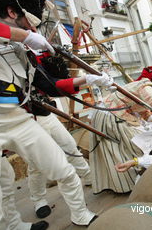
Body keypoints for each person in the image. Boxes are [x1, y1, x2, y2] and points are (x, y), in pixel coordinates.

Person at [0, 0, 97, 229]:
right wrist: (24, 36)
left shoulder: (21, 49)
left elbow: (49, 86)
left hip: (19, 120)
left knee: (63, 169)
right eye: (30, 23)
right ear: (11, 11)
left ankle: (81, 215)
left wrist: (89, 81)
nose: (33, 31)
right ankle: (14, 225)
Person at [27, 53, 114, 219]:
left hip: (46, 113)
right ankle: (38, 200)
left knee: (70, 145)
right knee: (35, 164)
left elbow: (53, 85)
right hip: (27, 119)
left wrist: (88, 79)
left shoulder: (29, 59)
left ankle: (88, 176)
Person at [89, 66, 152, 194]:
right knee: (134, 144)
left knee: (123, 147)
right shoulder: (146, 86)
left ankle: (129, 179)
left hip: (113, 114)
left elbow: (141, 105)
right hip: (110, 115)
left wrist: (151, 117)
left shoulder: (145, 86)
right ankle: (132, 181)